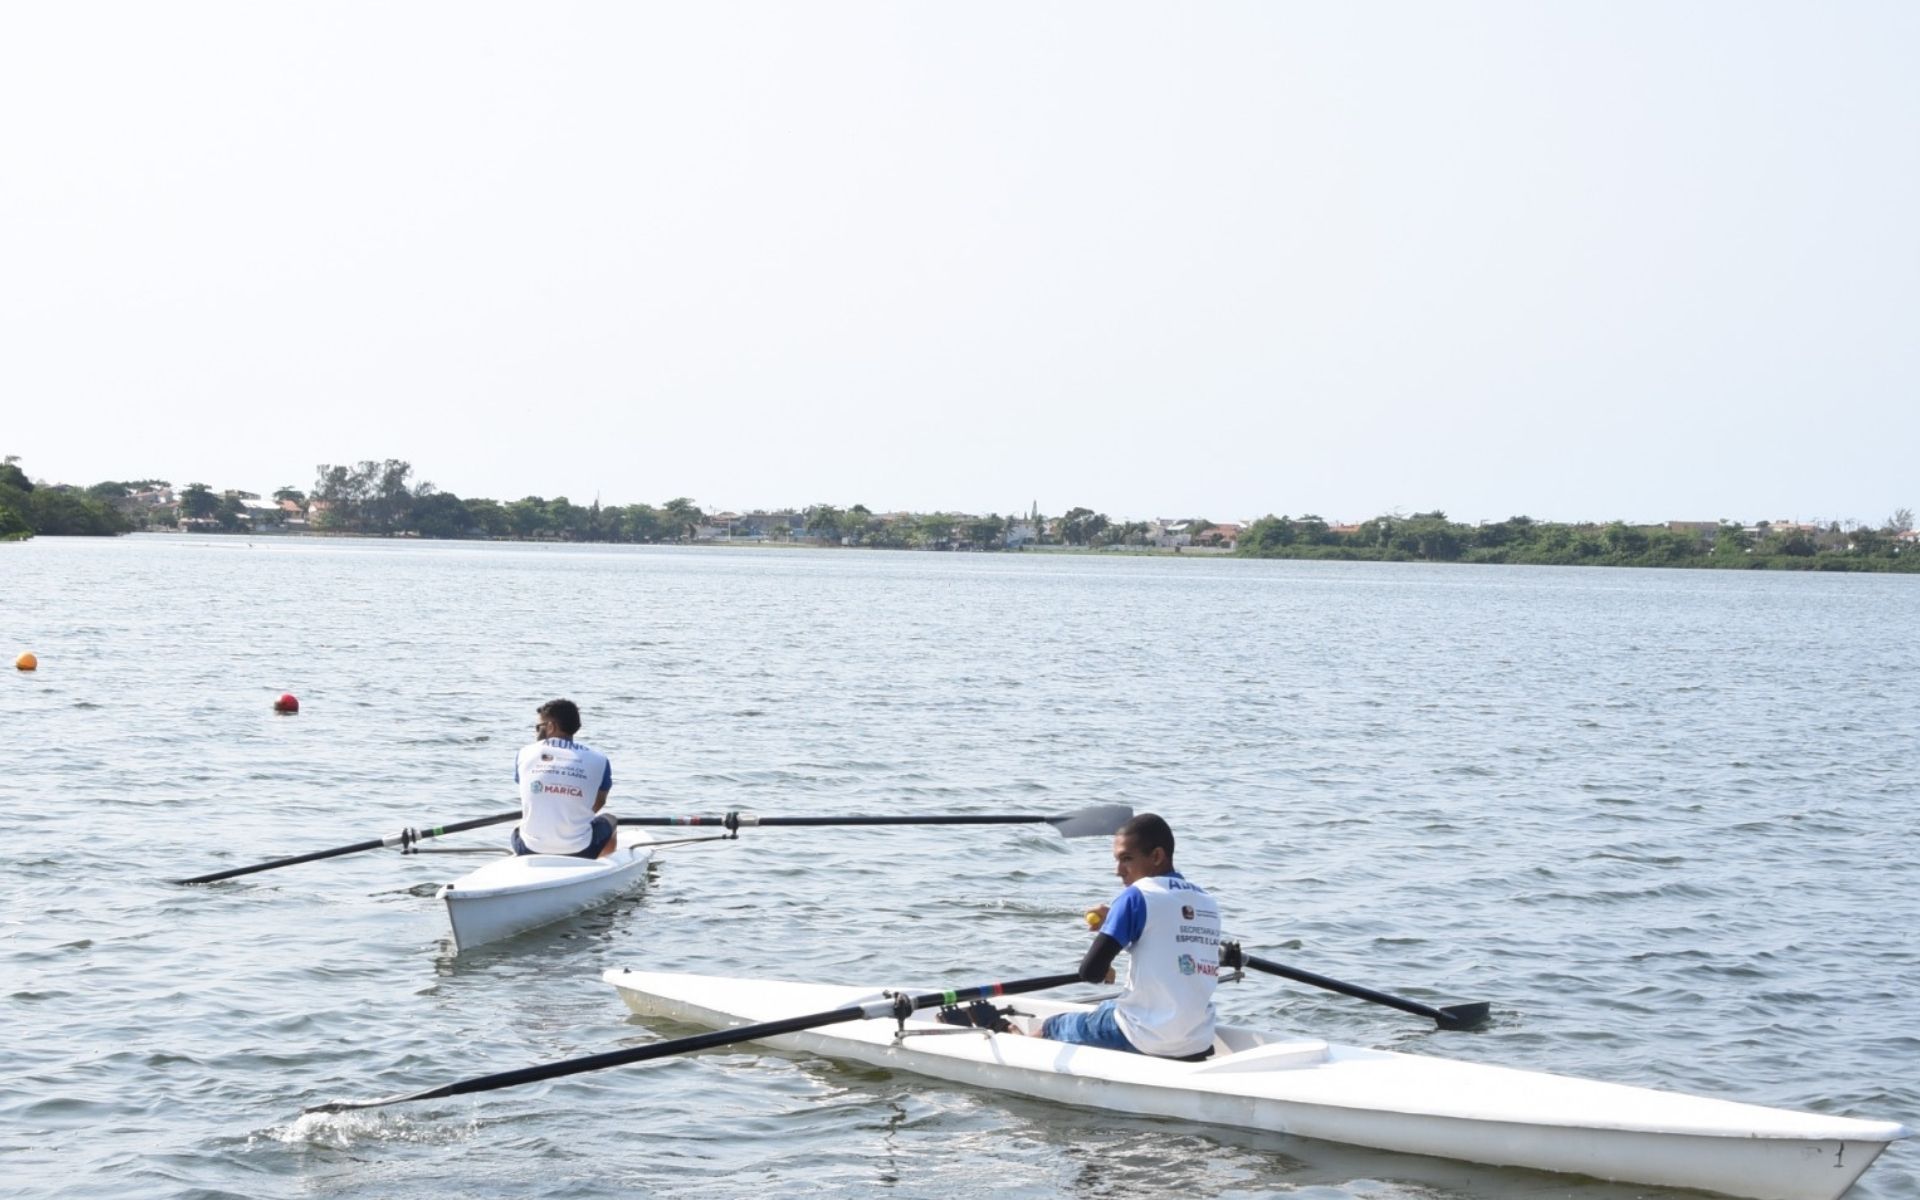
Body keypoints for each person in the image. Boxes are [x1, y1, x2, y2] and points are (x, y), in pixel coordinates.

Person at [1038, 812, 1220, 1059]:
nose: (1118, 871)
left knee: (1051, 1026)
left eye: (1126, 859)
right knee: (1110, 1007)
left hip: (1144, 1035)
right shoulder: (1207, 902)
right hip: (1197, 1039)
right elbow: (1166, 935)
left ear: (1156, 856)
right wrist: (1116, 918)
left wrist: (1111, 936)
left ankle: (1012, 1034)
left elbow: (1089, 972)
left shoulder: (1136, 896)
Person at [511, 699, 617, 859]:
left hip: (528, 848)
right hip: (581, 850)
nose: (536, 733)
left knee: (518, 826)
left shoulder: (525, 753)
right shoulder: (599, 759)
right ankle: (599, 864)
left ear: (551, 726)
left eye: (538, 727)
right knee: (611, 820)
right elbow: (600, 802)